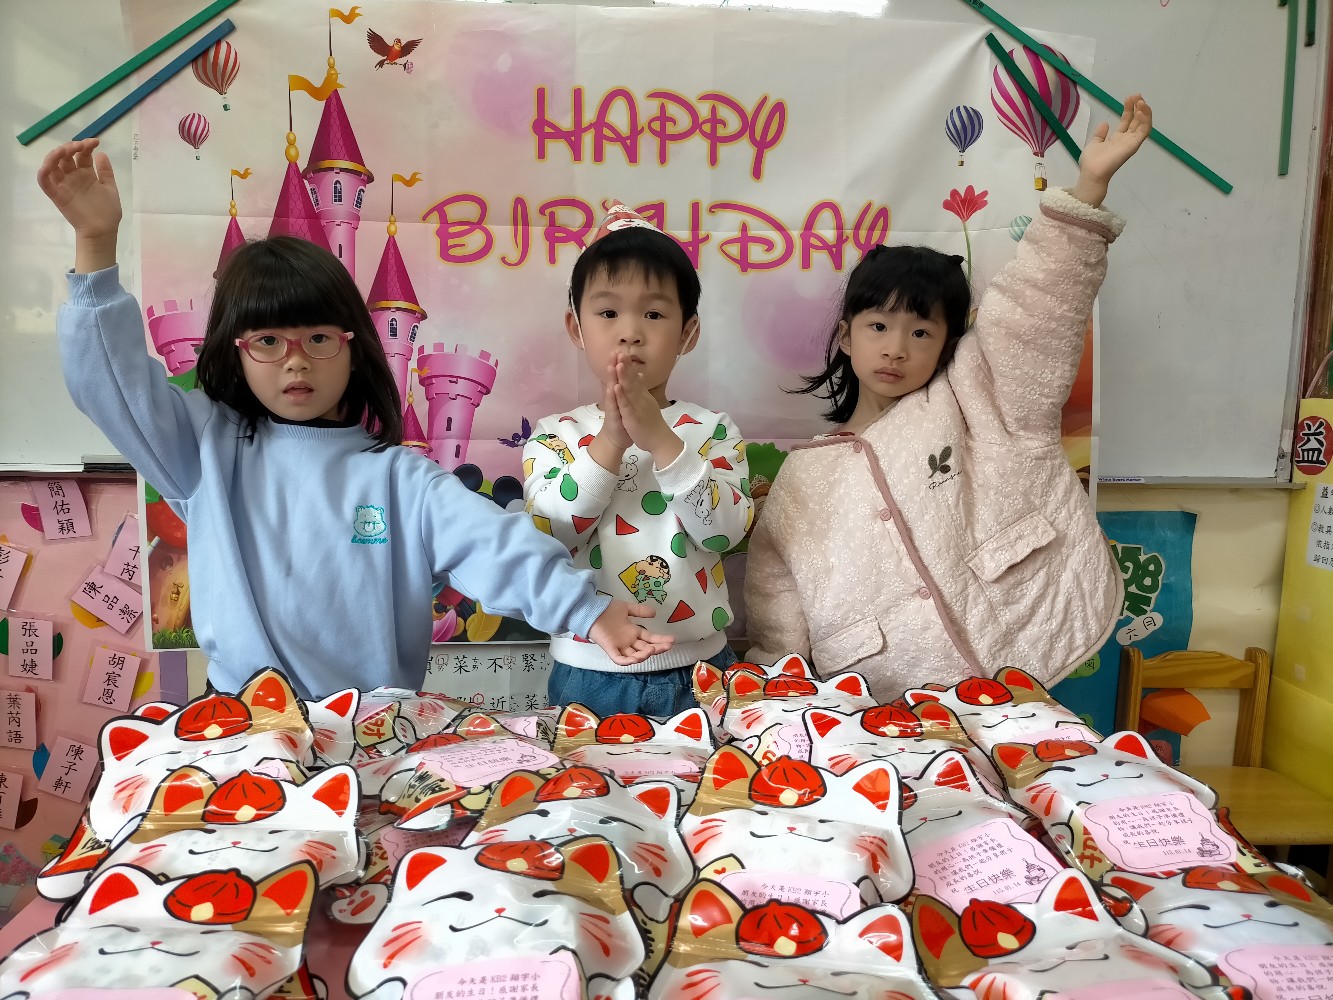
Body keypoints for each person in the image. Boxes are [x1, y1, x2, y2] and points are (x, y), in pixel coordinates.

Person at [38, 139, 671, 700]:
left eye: (318, 338)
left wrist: (587, 610)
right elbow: (110, 385)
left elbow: (494, 545)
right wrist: (94, 246)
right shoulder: (204, 448)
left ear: (353, 347)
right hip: (240, 724)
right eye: (268, 341)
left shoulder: (401, 480)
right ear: (238, 351)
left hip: (369, 735)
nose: (295, 361)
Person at [744, 97, 1155, 700]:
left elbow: (1032, 311)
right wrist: (774, 704)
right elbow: (777, 611)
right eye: (878, 327)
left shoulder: (976, 396)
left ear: (946, 344)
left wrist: (1089, 188)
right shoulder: (801, 478)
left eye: (921, 332)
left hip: (1019, 643)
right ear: (846, 337)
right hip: (883, 696)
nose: (896, 349)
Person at [523, 203, 753, 717]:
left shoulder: (714, 430)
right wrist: (610, 439)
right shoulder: (556, 435)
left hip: (702, 668)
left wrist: (663, 441)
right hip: (589, 669)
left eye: (653, 314)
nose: (630, 332)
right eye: (608, 313)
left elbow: (725, 534)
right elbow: (552, 534)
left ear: (688, 333)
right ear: (577, 328)